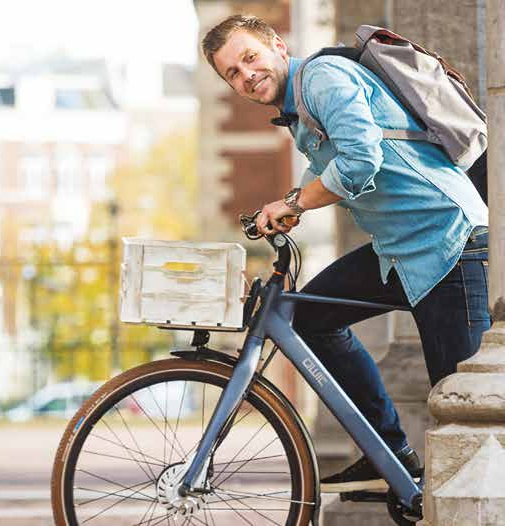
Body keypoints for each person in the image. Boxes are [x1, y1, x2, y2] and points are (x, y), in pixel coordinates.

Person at [201, 15, 489, 492]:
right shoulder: (297, 110)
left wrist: (293, 202)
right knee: (310, 316)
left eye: (249, 58)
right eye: (232, 73)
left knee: (466, 411)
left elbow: (361, 160)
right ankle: (388, 453)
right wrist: (296, 204)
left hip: (447, 241)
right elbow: (344, 169)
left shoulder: (321, 78)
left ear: (276, 44)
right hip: (399, 252)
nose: (246, 75)